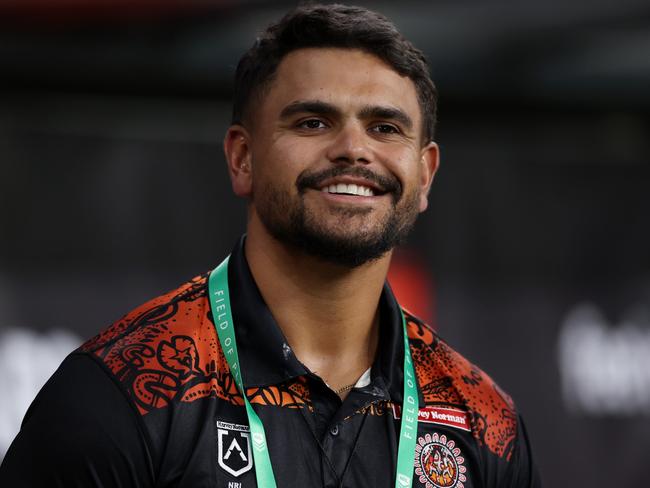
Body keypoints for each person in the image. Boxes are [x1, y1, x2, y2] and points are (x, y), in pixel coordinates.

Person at [0, 4, 540, 487]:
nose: (353, 149)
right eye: (312, 122)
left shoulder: (482, 419)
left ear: (424, 176)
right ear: (242, 159)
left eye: (384, 128)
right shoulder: (121, 393)